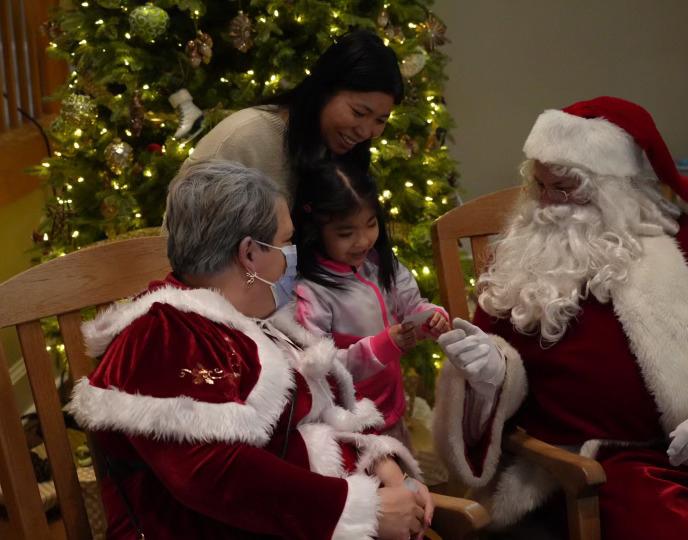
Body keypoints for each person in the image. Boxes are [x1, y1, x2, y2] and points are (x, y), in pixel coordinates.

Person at [432, 97, 688, 539]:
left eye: (566, 188)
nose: (549, 203)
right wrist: (489, 376)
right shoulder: (520, 261)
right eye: (540, 187)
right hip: (594, 467)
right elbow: (494, 381)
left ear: (617, 188)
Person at [68, 160, 434, 540]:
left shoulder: (259, 320)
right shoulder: (162, 334)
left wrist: (383, 468)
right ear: (249, 254)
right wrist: (360, 508)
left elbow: (315, 421)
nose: (294, 254)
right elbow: (211, 472)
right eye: (286, 241)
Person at [291, 160, 451, 448]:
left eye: (371, 224)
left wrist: (430, 318)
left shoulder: (380, 264)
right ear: (315, 230)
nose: (363, 241)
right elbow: (320, 368)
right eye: (345, 233)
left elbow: (411, 305)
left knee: (405, 473)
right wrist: (382, 345)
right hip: (347, 424)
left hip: (391, 409)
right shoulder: (310, 292)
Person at [184, 29, 403, 201]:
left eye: (380, 120)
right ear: (324, 89)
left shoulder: (340, 151)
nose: (365, 132)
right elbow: (182, 242)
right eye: (358, 112)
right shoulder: (246, 138)